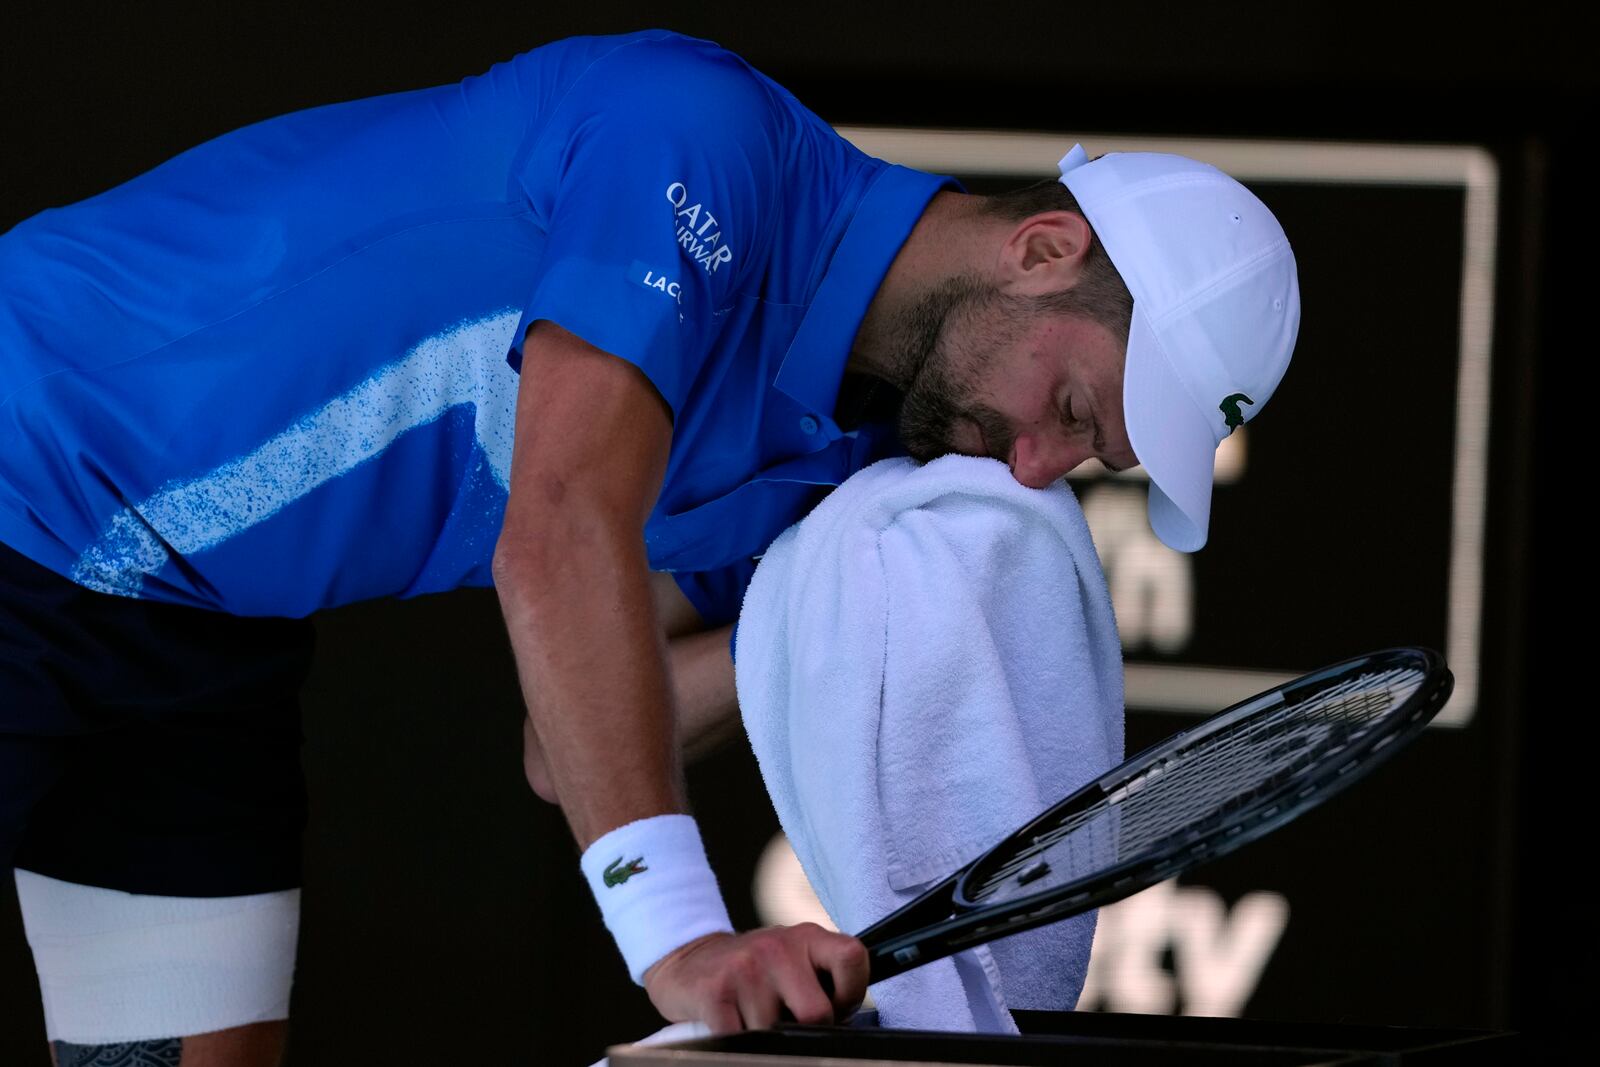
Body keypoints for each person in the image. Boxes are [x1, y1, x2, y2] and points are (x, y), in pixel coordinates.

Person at [0, 27, 1299, 1064]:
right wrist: (682, 941)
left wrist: (798, 626)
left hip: (202, 639)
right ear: (1042, 248)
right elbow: (556, 532)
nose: (1033, 468)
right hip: (25, 458)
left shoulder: (845, 469)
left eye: (1084, 459)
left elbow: (555, 756)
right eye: (1071, 410)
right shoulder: (703, 135)